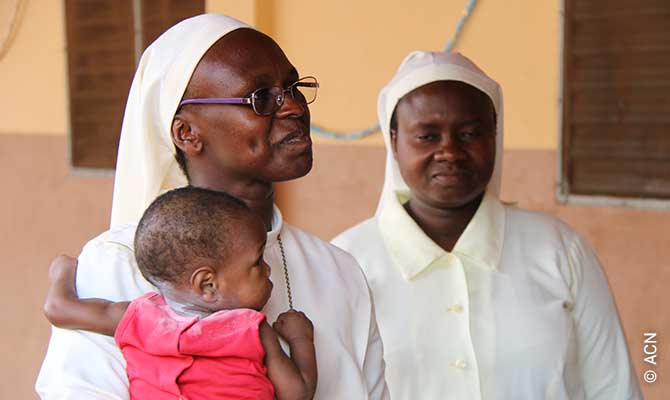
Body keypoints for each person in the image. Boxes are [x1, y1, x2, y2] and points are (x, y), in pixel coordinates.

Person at [36, 14, 388, 400]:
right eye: (261, 97)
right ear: (187, 133)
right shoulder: (118, 264)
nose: (293, 108)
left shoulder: (338, 271)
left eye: (293, 87)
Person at [332, 51, 641, 399]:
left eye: (469, 133)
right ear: (394, 139)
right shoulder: (346, 264)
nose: (449, 151)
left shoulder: (561, 251)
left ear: (495, 134)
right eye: (427, 136)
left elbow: (613, 388)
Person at [44, 187, 317, 400]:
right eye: (257, 262)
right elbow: (297, 393)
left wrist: (63, 272)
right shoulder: (250, 329)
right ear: (208, 284)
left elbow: (59, 309)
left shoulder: (138, 318)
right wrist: (300, 338)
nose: (268, 270)